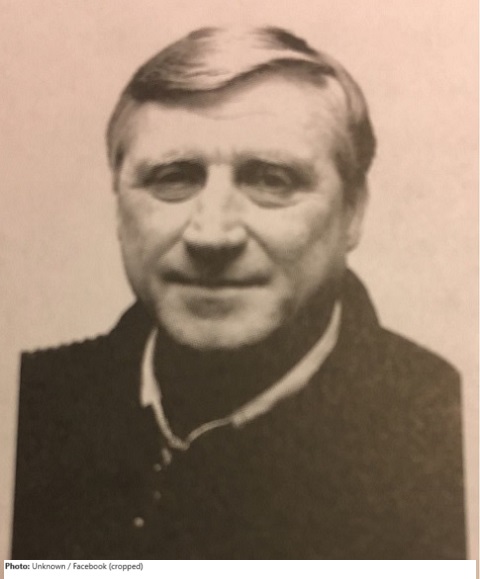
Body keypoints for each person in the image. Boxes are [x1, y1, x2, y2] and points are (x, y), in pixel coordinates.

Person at [12, 26, 465, 559]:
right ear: (118, 206)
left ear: (353, 212)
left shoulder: (448, 429)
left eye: (271, 180)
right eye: (174, 177)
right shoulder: (30, 406)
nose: (212, 235)